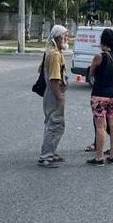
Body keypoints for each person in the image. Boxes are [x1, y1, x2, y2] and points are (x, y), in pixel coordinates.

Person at [86, 28, 113, 166]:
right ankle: (112, 156)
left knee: (100, 126)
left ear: (103, 41)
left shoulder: (99, 56)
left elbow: (92, 72)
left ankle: (99, 157)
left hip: (100, 95)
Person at [38, 25, 69, 168]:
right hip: (54, 92)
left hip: (50, 93)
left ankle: (50, 152)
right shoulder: (55, 54)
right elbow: (55, 79)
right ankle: (46, 156)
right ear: (58, 37)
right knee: (56, 124)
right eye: (64, 36)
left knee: (51, 122)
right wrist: (60, 97)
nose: (66, 38)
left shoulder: (51, 51)